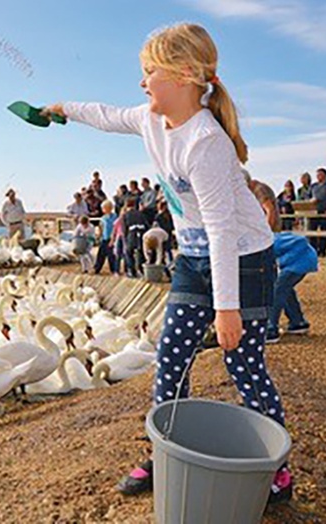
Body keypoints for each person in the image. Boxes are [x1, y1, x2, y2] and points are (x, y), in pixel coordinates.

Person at [42, 22, 290, 503]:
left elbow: (222, 230)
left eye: (149, 71)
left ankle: (277, 468)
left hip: (243, 261)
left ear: (183, 75)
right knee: (171, 354)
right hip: (195, 258)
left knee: (244, 364)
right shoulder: (151, 120)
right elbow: (106, 114)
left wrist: (226, 309)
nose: (142, 82)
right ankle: (165, 453)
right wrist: (62, 110)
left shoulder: (206, 143)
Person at [266, 232, 317, 343]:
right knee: (284, 289)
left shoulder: (269, 241)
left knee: (277, 292)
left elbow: (301, 241)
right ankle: (298, 322)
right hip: (298, 262)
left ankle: (271, 328)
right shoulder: (268, 240)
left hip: (300, 263)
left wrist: (284, 261)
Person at [122, 197, 148, 277]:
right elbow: (146, 225)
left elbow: (124, 228)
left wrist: (125, 238)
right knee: (141, 252)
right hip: (141, 232)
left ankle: (132, 270)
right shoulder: (140, 214)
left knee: (129, 252)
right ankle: (142, 269)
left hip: (132, 233)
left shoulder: (126, 215)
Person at [94, 200, 118, 274]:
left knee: (111, 255)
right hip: (104, 238)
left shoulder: (115, 216)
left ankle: (113, 269)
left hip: (112, 238)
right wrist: (99, 236)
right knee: (101, 254)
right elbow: (101, 227)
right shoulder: (103, 218)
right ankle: (97, 269)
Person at [154, 199, 175, 265]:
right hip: (168, 233)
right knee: (168, 250)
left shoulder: (159, 216)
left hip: (161, 234)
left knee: (163, 250)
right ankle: (170, 263)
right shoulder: (169, 215)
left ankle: (164, 263)